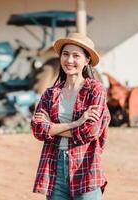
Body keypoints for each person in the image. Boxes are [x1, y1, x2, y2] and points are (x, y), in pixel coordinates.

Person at [31, 32, 111, 200]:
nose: (69, 60)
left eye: (76, 56)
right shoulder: (50, 94)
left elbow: (90, 131)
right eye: (65, 54)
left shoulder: (95, 90)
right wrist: (77, 122)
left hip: (86, 165)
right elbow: (38, 129)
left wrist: (52, 129)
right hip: (54, 167)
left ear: (87, 60)